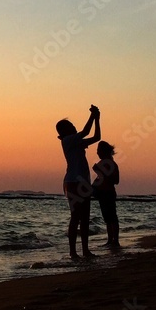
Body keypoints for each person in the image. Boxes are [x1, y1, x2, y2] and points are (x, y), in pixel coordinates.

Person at [57, 104, 101, 260]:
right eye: (71, 125)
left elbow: (96, 137)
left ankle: (85, 250)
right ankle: (73, 252)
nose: (74, 126)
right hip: (73, 182)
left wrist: (97, 119)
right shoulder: (68, 140)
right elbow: (86, 132)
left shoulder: (75, 141)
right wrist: (92, 115)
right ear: (64, 131)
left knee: (85, 218)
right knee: (76, 216)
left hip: (83, 182)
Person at [91, 140, 120, 249]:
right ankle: (109, 240)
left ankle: (115, 240)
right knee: (107, 218)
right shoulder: (101, 163)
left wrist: (100, 171)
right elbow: (99, 179)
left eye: (99, 151)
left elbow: (116, 180)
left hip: (109, 192)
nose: (97, 153)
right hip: (102, 193)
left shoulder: (112, 164)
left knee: (112, 217)